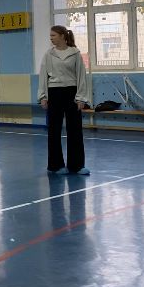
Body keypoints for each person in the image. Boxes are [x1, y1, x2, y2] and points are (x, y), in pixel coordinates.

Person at [37, 26, 91, 175]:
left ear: (62, 36)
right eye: (50, 36)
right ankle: (55, 165)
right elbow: (43, 76)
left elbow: (81, 76)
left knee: (75, 130)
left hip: (72, 93)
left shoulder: (75, 53)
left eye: (53, 35)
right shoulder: (49, 54)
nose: (51, 38)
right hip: (54, 93)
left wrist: (81, 98)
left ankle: (77, 165)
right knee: (54, 130)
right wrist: (43, 96)